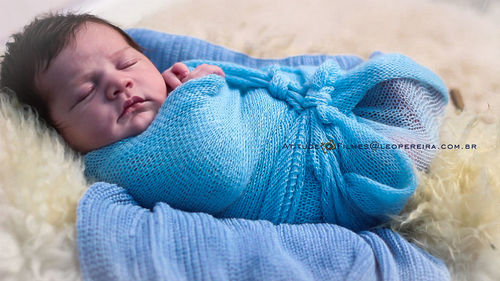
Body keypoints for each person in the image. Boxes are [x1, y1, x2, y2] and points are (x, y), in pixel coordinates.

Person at [0, 13, 448, 232]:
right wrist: (200, 92)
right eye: (84, 93)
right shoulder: (117, 163)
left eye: (126, 62)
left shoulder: (169, 86)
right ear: (56, 133)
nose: (118, 85)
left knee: (392, 71)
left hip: (308, 113)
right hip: (319, 170)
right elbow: (213, 167)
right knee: (399, 126)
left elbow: (250, 82)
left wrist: (192, 84)